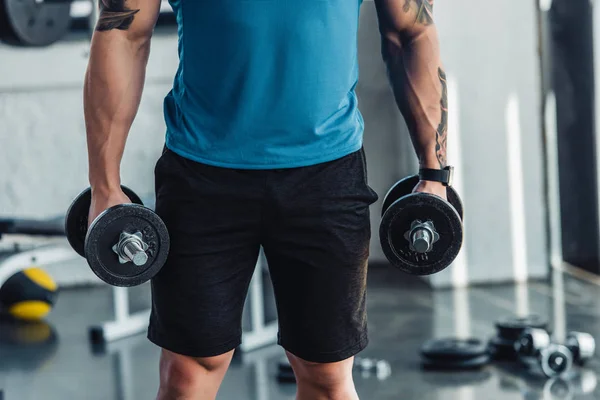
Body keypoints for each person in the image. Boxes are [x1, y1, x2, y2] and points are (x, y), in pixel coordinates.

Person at [84, 0, 448, 398]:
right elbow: (123, 30)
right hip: (202, 175)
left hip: (326, 175)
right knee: (187, 376)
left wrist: (434, 172)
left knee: (326, 376)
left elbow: (410, 31)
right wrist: (105, 187)